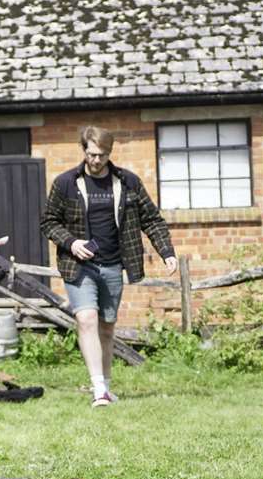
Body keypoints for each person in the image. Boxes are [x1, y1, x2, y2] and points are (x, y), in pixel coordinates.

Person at [40, 126, 177, 407]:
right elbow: (49, 222)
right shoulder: (66, 183)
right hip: (78, 266)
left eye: (101, 155)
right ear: (84, 151)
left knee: (106, 327)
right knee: (86, 319)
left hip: (113, 264)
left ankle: (107, 385)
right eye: (91, 154)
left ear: (109, 153)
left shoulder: (127, 182)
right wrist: (71, 242)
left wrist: (166, 252)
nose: (96, 160)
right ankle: (98, 389)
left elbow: (151, 219)